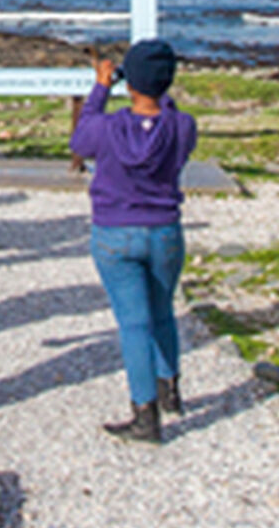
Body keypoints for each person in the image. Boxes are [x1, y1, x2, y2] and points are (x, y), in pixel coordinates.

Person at [72, 39, 197, 446]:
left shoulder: (108, 128)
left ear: (130, 83)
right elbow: (172, 120)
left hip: (115, 231)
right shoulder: (182, 125)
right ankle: (170, 388)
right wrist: (159, 92)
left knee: (133, 324)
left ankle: (145, 415)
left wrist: (101, 87)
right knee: (163, 312)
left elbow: (80, 140)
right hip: (164, 230)